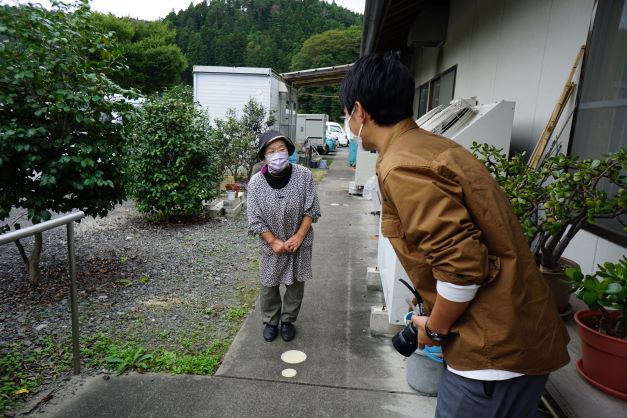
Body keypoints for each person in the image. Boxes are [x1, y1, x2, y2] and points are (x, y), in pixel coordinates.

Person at [340, 53, 569, 417]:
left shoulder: (402, 165)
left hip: (490, 356)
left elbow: (462, 269)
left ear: (359, 111)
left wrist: (433, 328)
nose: (349, 124)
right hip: (513, 338)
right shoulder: (434, 146)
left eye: (348, 115)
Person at [247, 130, 321, 342]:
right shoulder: (255, 183)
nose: (277, 154)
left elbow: (312, 209)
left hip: (300, 241)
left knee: (296, 285)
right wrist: (272, 241)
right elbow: (254, 218)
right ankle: (271, 321)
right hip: (271, 244)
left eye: (281, 149)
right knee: (269, 285)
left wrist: (299, 236)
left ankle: (288, 320)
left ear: (288, 151)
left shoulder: (304, 175)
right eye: (271, 151)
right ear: (264, 157)